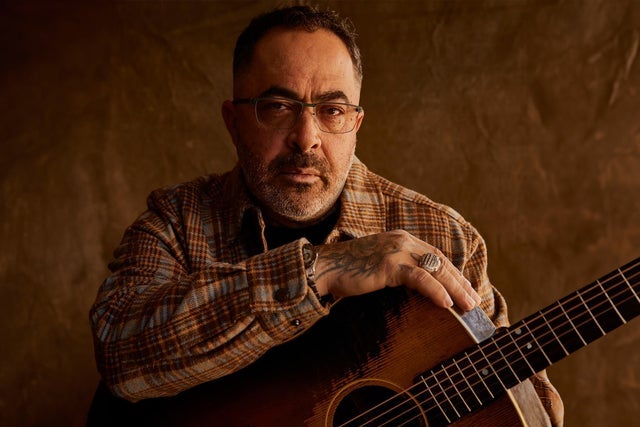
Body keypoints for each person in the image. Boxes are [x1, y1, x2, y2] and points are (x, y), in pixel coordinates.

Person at [89, 5, 563, 426]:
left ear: (355, 124)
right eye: (279, 107)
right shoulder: (176, 221)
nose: (306, 137)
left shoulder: (445, 237)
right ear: (233, 122)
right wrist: (327, 269)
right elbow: (121, 356)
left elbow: (528, 405)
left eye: (332, 110)